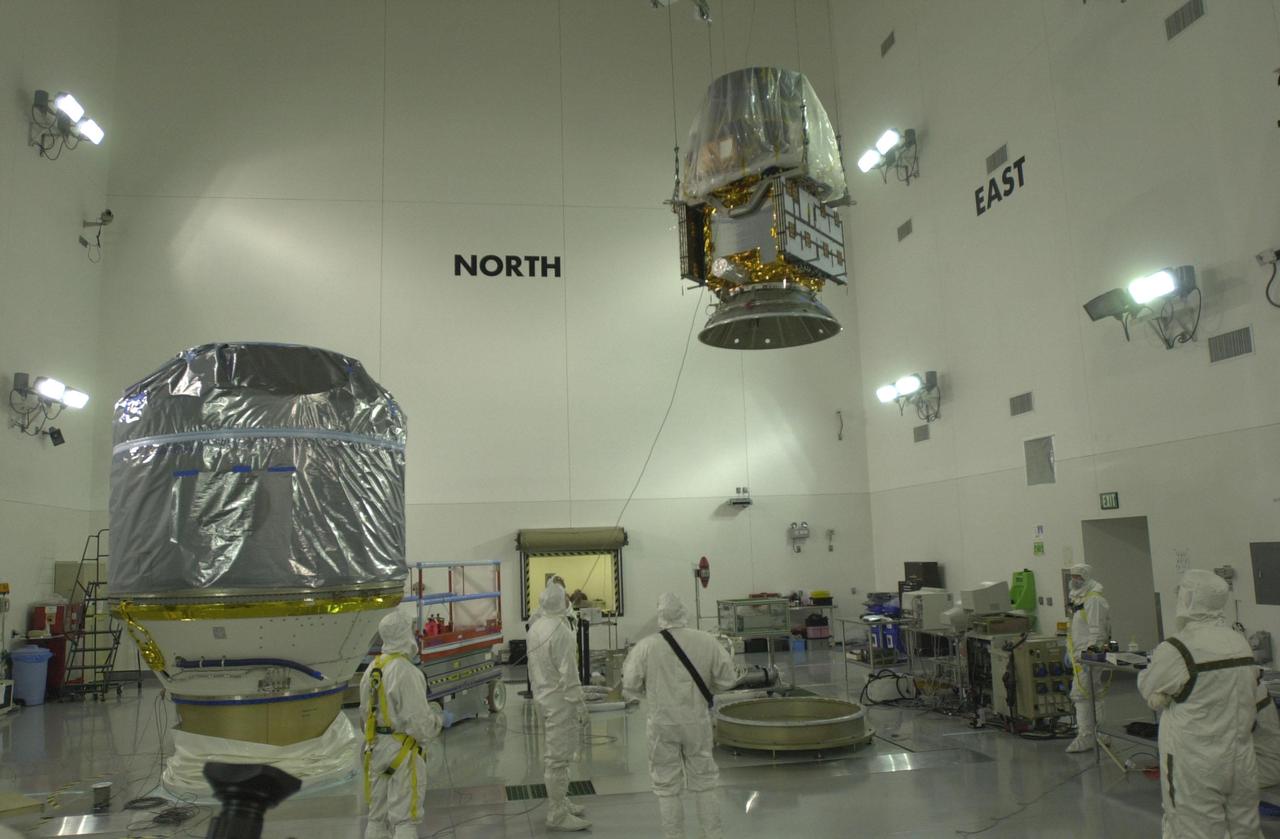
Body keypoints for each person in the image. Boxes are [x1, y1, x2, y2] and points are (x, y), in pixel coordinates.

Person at [1138, 569, 1262, 838]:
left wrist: (1162, 695)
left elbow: (1148, 686)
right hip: (1240, 758)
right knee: (1245, 828)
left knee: (1194, 828)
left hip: (1195, 762)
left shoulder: (1177, 648)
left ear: (1188, 599)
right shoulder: (1239, 642)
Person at [622, 592, 738, 839]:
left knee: (667, 786)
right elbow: (728, 680)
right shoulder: (706, 641)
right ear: (684, 613)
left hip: (661, 724)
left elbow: (630, 685)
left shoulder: (646, 646)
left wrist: (652, 692)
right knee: (705, 781)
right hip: (697, 722)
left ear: (660, 615)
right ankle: (713, 834)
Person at [360, 611, 442, 839]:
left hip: (375, 749)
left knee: (376, 817)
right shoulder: (406, 672)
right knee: (405, 820)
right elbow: (419, 723)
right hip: (402, 753)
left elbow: (363, 714)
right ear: (405, 633)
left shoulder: (372, 669)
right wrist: (438, 721)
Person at [528, 584, 591, 832]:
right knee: (558, 759)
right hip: (559, 701)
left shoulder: (536, 627)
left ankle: (562, 801)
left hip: (543, 698)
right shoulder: (561, 631)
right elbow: (569, 673)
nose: (568, 600)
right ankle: (557, 813)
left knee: (557, 755)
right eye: (565, 597)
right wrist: (579, 703)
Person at [1066, 562, 1111, 753]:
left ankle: (1086, 736)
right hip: (1079, 654)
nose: (1075, 580)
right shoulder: (1079, 599)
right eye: (1073, 576)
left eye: (1079, 577)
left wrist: (1090, 656)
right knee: (1094, 693)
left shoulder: (1094, 599)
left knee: (1080, 694)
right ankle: (1100, 734)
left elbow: (1097, 631)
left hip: (1088, 656)